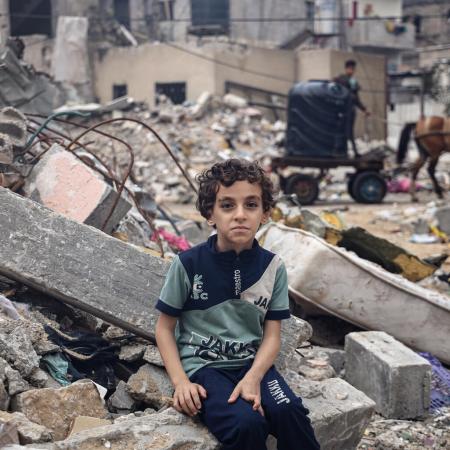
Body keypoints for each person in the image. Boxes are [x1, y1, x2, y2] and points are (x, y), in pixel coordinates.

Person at [155, 159, 320, 450]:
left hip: (251, 364)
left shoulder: (272, 267)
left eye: (251, 205)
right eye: (227, 205)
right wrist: (181, 382)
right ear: (210, 214)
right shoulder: (188, 264)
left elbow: (272, 336)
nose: (240, 215)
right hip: (205, 368)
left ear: (265, 213)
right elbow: (165, 329)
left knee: (289, 412)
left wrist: (253, 378)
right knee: (246, 425)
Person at [334, 59, 370, 157]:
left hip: (346, 110)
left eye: (353, 69)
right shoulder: (344, 80)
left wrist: (364, 109)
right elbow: (354, 97)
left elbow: (356, 98)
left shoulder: (348, 81)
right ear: (346, 69)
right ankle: (345, 152)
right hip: (345, 110)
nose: (351, 71)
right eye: (350, 69)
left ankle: (346, 152)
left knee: (347, 131)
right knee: (344, 132)